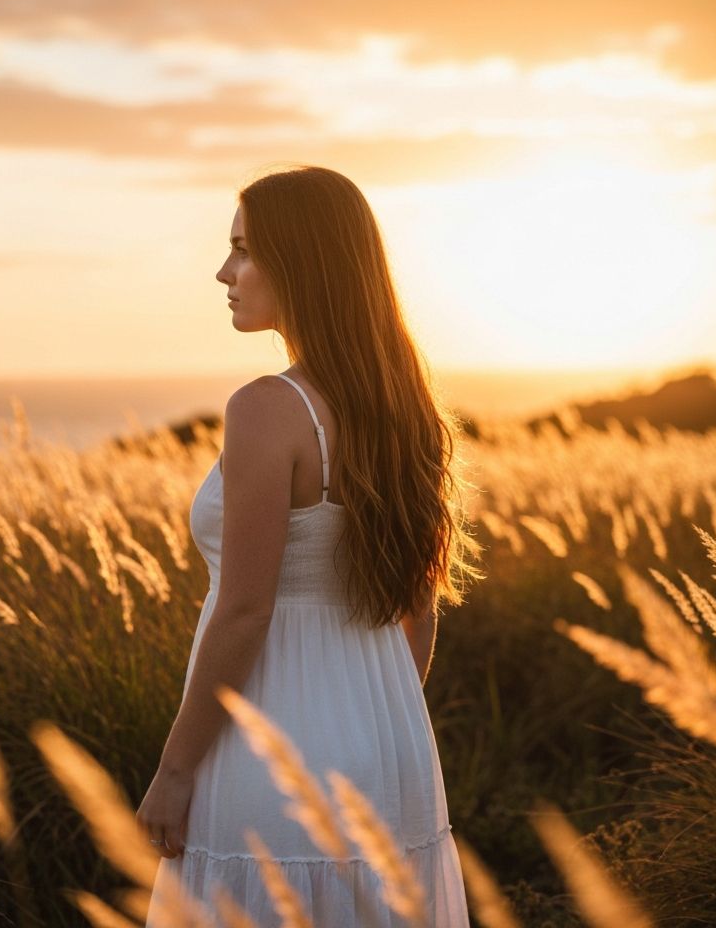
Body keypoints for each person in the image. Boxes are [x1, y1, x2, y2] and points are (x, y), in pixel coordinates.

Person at [137, 165, 482, 926]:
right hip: (389, 741)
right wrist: (372, 719)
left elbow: (244, 609)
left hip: (273, 738)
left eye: (243, 252)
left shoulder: (266, 408)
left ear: (302, 265)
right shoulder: (407, 411)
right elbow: (418, 609)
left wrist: (173, 770)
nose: (224, 272)